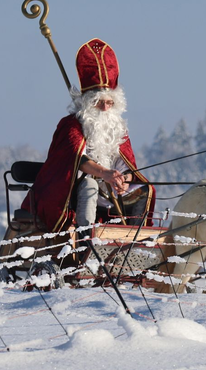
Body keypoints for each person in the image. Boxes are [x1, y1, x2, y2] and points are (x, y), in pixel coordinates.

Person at [21, 38, 155, 233]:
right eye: (99, 102)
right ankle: (86, 240)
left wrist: (123, 179)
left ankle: (134, 240)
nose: (105, 107)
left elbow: (123, 161)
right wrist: (104, 173)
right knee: (89, 185)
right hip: (73, 190)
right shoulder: (71, 125)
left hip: (109, 190)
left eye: (110, 103)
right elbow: (76, 160)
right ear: (87, 102)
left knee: (145, 190)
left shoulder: (117, 126)